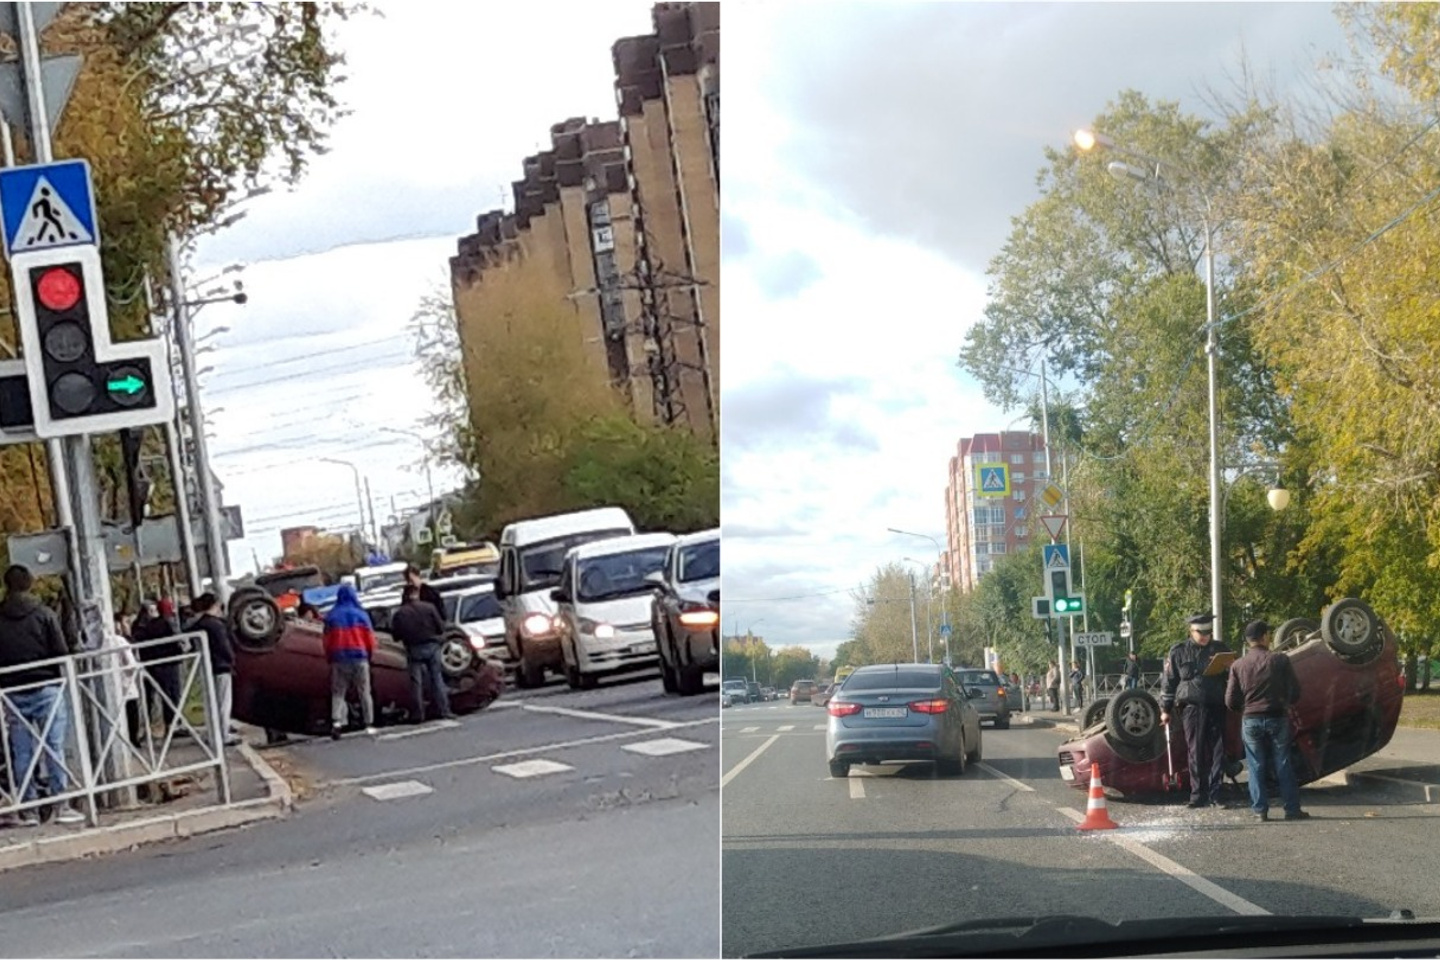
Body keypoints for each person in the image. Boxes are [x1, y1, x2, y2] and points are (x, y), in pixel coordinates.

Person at [0, 565, 85, 825]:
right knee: (53, 746)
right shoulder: (44, 614)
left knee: (21, 751)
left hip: (11, 690)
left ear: (7, 586)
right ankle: (61, 803)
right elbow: (60, 651)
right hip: (47, 687)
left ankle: (29, 808)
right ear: (30, 584)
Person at [1226, 620, 1308, 822]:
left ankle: (1260, 810)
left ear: (1248, 641)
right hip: (1277, 717)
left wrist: (1244, 709)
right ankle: (1292, 809)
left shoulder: (1238, 665)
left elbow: (1230, 700)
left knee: (1255, 765)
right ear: (1264, 637)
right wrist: (1284, 703)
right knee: (1283, 762)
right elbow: (1295, 691)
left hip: (1251, 720)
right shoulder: (1280, 660)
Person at [1160, 612, 1235, 809]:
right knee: (1195, 751)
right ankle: (1197, 795)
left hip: (1216, 706)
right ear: (1191, 631)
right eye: (1200, 632)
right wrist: (1165, 709)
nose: (1205, 636)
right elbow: (1169, 682)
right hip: (1192, 708)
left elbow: (1234, 676)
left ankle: (1216, 794)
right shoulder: (1179, 651)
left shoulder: (1220, 649)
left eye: (1208, 632)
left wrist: (1230, 666)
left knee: (1218, 751)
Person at [390, 584, 454, 723]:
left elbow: (395, 635)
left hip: (413, 649)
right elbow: (441, 627)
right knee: (437, 679)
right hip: (432, 646)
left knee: (416, 683)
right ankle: (444, 710)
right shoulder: (429, 608)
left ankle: (418, 714)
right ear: (416, 594)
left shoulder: (400, 614)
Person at [322, 585, 377, 739]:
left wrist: (329, 657)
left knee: (338, 692)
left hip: (339, 659)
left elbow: (326, 641)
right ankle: (369, 724)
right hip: (360, 657)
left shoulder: (331, 617)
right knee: (364, 692)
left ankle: (337, 723)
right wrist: (370, 656)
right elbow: (370, 639)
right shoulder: (361, 615)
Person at [188, 594, 240, 746]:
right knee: (223, 703)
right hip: (221, 666)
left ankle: (212, 734)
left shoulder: (199, 624)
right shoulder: (216, 625)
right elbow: (224, 646)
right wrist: (232, 660)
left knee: (212, 703)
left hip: (206, 667)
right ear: (215, 605)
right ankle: (223, 735)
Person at [131, 599, 184, 731]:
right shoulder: (161, 624)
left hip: (152, 664)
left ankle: (156, 726)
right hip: (165, 662)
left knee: (156, 696)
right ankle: (171, 724)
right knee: (170, 694)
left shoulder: (141, 626)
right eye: (151, 610)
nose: (153, 613)